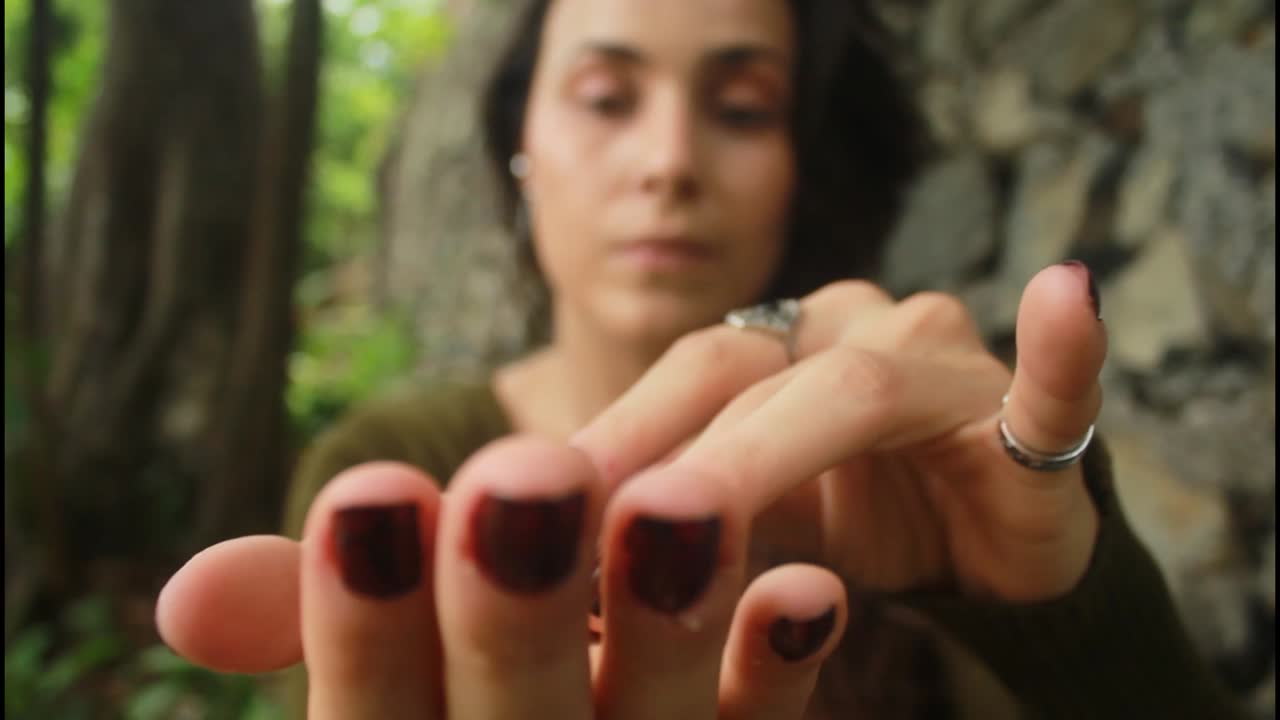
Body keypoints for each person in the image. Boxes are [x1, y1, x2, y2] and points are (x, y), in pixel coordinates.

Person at [155, 0, 1249, 718]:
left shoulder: (908, 477)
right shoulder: (394, 465)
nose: (669, 160)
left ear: (799, 167)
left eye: (738, 107)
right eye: (604, 97)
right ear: (518, 148)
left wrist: (1058, 608)